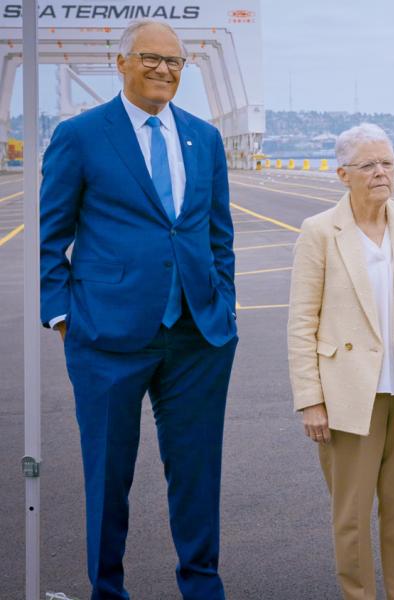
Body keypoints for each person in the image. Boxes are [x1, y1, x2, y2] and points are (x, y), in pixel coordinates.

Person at [39, 20, 237, 599]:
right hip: (106, 336)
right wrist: (62, 315)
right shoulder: (81, 135)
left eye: (174, 62)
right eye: (150, 58)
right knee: (107, 476)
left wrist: (225, 305)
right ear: (121, 62)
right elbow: (51, 236)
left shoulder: (205, 137)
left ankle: (202, 586)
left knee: (198, 473)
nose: (163, 70)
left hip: (198, 335)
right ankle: (108, 590)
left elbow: (218, 234)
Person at [288, 123, 394, 600]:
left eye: (388, 162)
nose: (382, 172)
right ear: (343, 173)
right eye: (369, 165)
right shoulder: (320, 231)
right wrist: (311, 400)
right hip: (349, 395)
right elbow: (302, 321)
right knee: (351, 517)